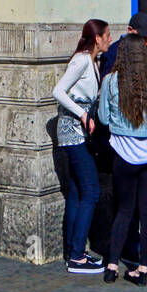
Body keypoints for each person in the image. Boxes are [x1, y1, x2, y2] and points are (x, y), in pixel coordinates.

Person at [99, 35, 147, 286]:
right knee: (146, 212)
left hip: (124, 154)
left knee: (124, 210)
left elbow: (104, 119)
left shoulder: (110, 81)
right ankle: (142, 269)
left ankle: (111, 265)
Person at [52, 18, 111, 274]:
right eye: (107, 35)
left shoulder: (93, 61)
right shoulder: (81, 60)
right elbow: (58, 91)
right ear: (97, 38)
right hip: (73, 134)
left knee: (76, 191)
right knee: (91, 191)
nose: (110, 39)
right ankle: (76, 256)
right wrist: (82, 114)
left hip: (80, 134)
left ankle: (74, 251)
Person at [99, 11, 147, 76]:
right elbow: (106, 80)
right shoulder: (113, 51)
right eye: (141, 36)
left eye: (146, 37)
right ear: (130, 30)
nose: (144, 41)